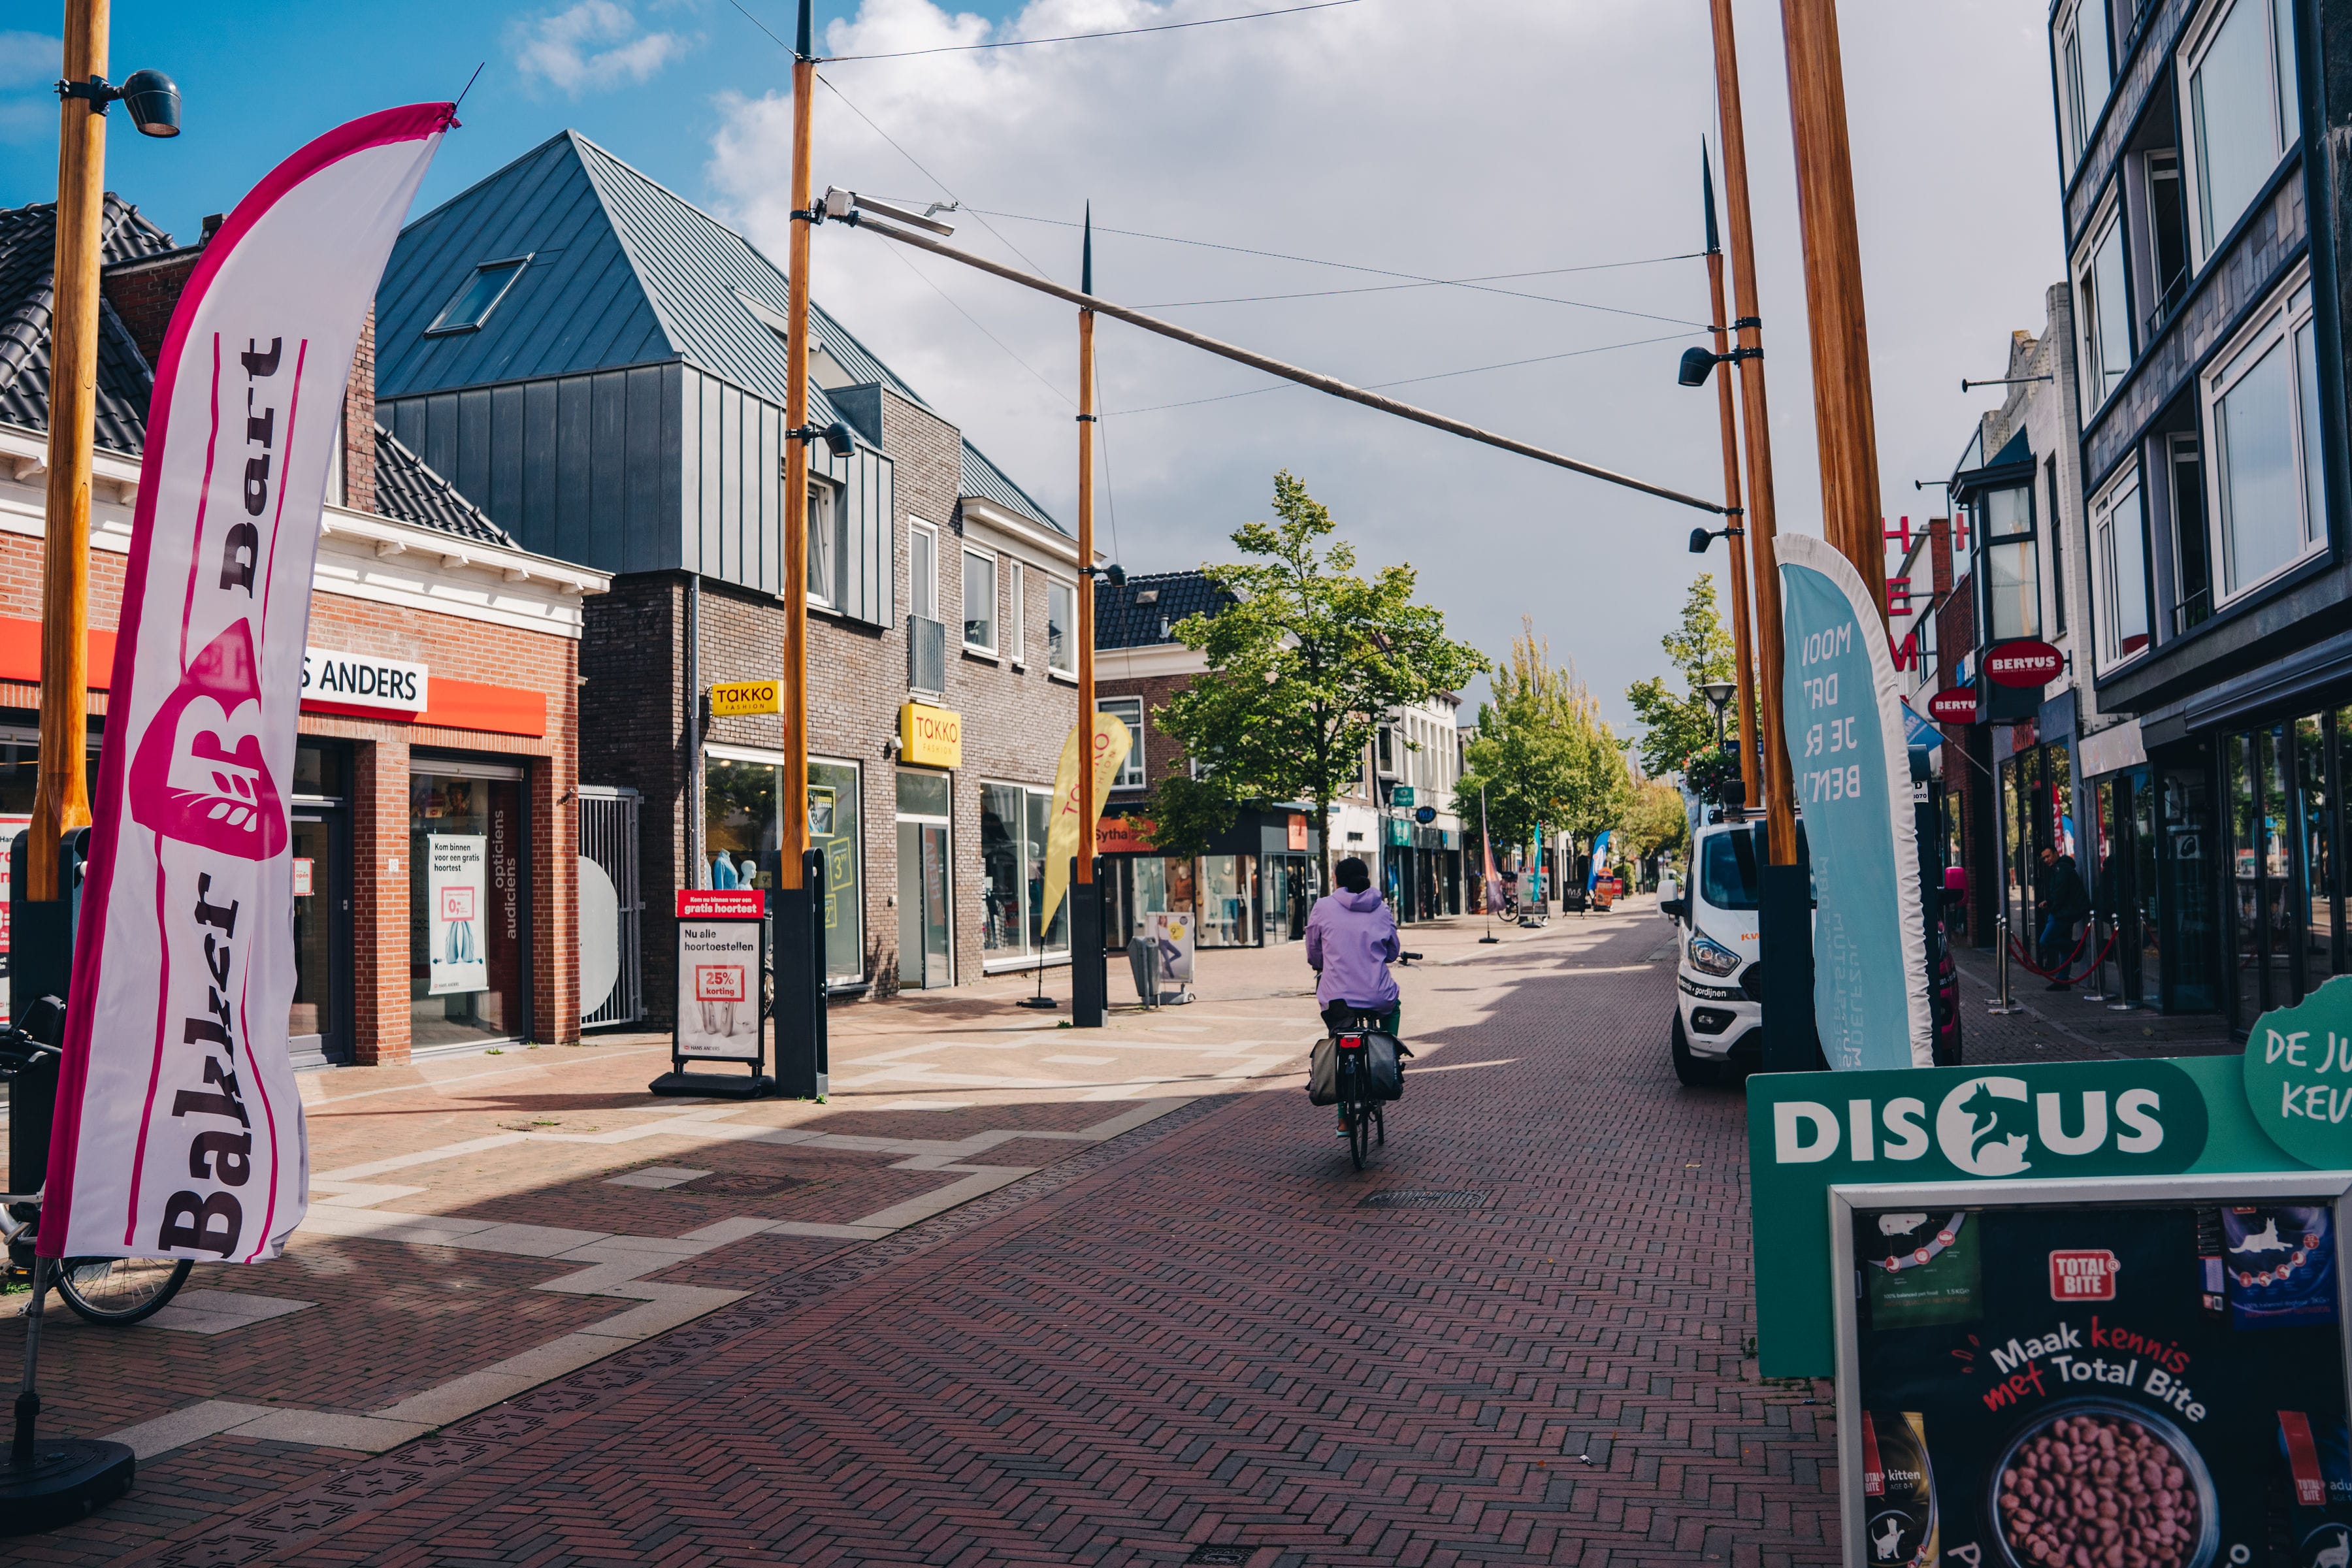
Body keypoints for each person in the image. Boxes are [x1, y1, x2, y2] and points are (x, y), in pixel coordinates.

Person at [1307, 857, 1403, 1135]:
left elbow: (1314, 950)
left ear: (1336, 879)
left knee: (1340, 1042)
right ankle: (1389, 1057)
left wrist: (1321, 964)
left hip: (1336, 997)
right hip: (1377, 994)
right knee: (1393, 1008)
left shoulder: (1323, 906)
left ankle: (1343, 1118)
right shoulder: (1382, 908)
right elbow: (1393, 951)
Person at [2035, 845, 2091, 988]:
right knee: (2063, 946)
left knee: (2045, 940)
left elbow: (2060, 893)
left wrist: (2051, 906)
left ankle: (2076, 947)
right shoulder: (2062, 868)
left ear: (2055, 853)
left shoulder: (2061, 869)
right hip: (2067, 911)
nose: (2046, 860)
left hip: (2063, 913)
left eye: (2048, 856)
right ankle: (2063, 980)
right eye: (2044, 858)